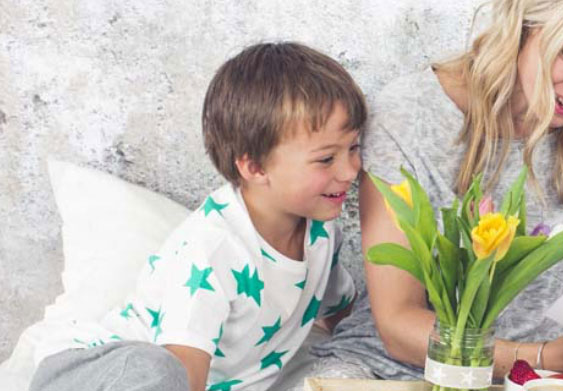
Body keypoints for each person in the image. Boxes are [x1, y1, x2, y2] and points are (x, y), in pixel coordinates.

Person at [303, 0, 563, 389]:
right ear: (524, 26)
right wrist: (545, 357)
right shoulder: (412, 117)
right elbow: (398, 325)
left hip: (541, 382)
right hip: (396, 373)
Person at [29, 42, 364, 391]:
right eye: (326, 159)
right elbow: (183, 374)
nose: (350, 170)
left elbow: (344, 314)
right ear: (254, 166)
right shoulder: (212, 249)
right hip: (90, 371)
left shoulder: (321, 234)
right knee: (158, 370)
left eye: (353, 148)